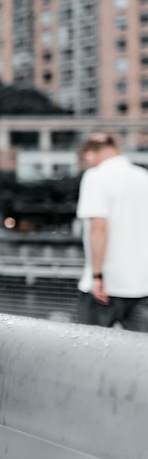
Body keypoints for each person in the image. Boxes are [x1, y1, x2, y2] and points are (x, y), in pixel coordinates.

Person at [75, 132, 148, 330]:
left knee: (86, 349)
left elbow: (98, 228)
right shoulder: (143, 177)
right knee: (142, 353)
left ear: (90, 154)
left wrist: (97, 276)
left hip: (107, 285)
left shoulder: (96, 177)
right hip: (142, 284)